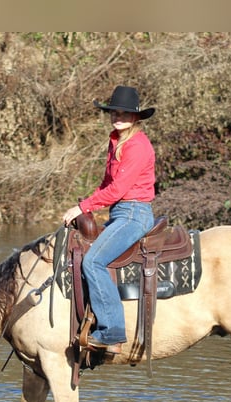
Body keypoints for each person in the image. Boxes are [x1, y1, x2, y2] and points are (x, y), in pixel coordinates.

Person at [62, 85, 156, 354]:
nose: (119, 117)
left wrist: (82, 207)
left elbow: (119, 189)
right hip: (120, 213)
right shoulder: (115, 140)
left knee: (93, 261)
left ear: (136, 117)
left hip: (134, 213)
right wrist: (88, 204)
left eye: (125, 113)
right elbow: (106, 183)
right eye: (115, 112)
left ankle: (112, 332)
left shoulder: (138, 145)